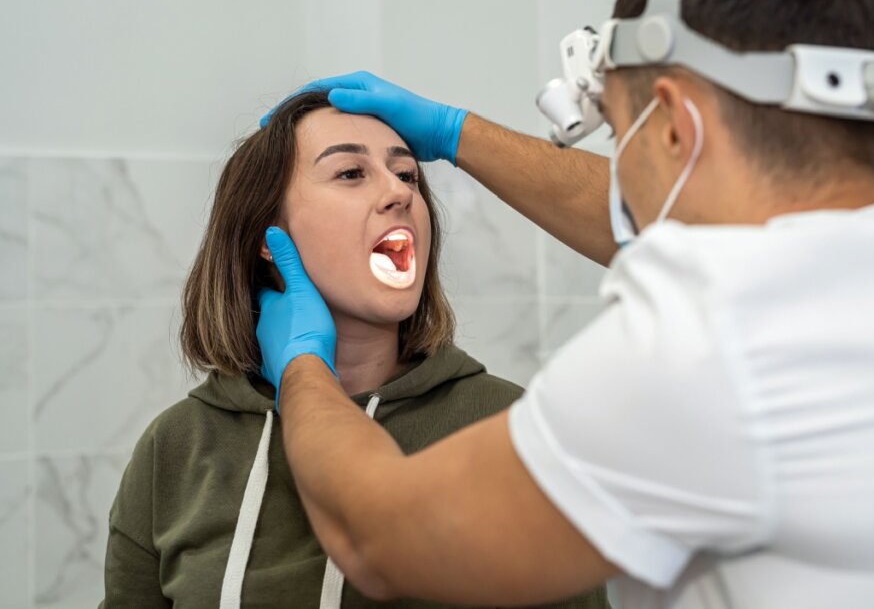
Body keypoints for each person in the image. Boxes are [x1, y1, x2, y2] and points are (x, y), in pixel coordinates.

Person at [254, 0, 874, 608]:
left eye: (621, 129)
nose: (395, 193)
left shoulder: (709, 351)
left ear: (678, 125)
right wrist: (458, 135)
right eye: (352, 174)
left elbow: (379, 536)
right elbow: (707, 220)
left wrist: (301, 368)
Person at [100, 90, 609, 609]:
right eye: (350, 173)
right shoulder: (178, 446)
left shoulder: (511, 425)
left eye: (407, 175)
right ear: (265, 235)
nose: (399, 193)